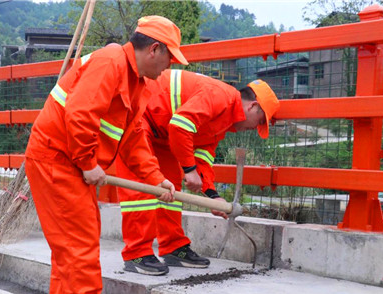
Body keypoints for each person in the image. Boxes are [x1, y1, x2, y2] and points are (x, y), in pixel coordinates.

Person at [24, 16, 189, 294]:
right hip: (57, 158)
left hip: (68, 161)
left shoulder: (137, 83)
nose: (168, 68)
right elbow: (80, 113)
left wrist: (156, 178)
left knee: (71, 240)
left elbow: (133, 139)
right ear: (154, 49)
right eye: (170, 58)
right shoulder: (112, 61)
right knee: (80, 238)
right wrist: (87, 162)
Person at [116, 71, 280, 276]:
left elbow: (203, 159)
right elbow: (179, 126)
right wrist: (188, 168)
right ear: (253, 106)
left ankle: (173, 248)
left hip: (162, 132)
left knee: (171, 190)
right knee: (142, 190)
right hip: (140, 115)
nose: (255, 128)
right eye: (260, 121)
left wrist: (213, 197)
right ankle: (137, 253)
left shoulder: (224, 122)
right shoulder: (220, 96)